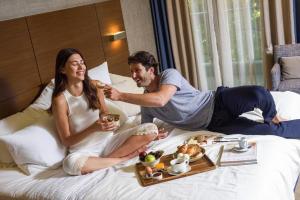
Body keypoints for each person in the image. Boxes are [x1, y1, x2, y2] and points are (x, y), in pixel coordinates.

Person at [104, 51, 300, 139]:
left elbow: (162, 98)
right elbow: (146, 127)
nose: (133, 76)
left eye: (137, 70)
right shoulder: (144, 102)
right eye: (131, 72)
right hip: (214, 124)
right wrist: (153, 135)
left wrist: (121, 96)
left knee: (258, 93)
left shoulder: (168, 75)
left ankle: (272, 115)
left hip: (219, 101)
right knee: (269, 132)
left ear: (151, 70)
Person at [51, 48, 159, 176]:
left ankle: (105, 161)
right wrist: (94, 128)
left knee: (152, 129)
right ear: (62, 69)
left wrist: (111, 122)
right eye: (75, 64)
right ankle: (122, 158)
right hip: (84, 151)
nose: (81, 67)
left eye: (82, 62)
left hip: (108, 142)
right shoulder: (60, 100)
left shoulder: (95, 86)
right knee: (69, 165)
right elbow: (66, 141)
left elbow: (105, 113)